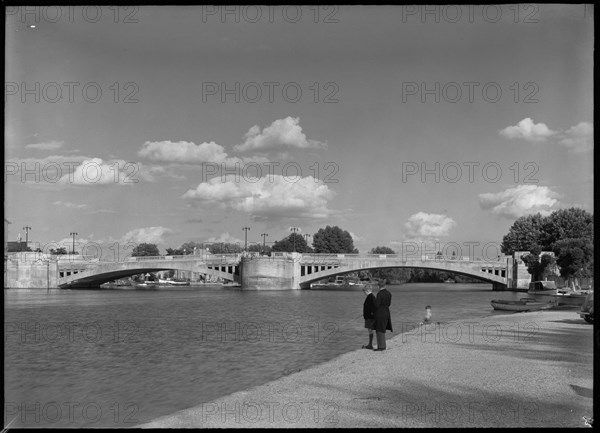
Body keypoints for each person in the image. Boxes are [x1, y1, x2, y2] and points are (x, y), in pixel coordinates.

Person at [373, 279, 392, 351]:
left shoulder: (379, 294)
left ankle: (381, 347)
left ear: (378, 286)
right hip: (386, 312)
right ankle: (383, 346)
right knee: (383, 329)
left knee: (379, 329)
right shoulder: (389, 293)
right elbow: (389, 304)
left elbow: (377, 305)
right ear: (385, 285)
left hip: (380, 313)